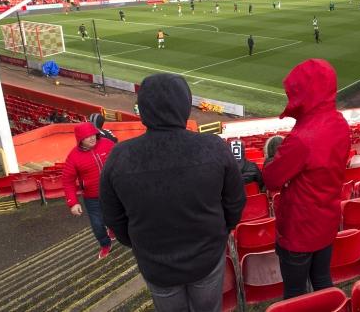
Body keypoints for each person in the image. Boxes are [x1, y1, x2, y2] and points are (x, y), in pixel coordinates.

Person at [100, 74, 246, 312]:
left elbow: (113, 217)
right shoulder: (213, 147)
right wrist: (219, 232)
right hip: (205, 256)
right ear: (185, 105)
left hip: (158, 262)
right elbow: (236, 204)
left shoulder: (120, 157)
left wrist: (140, 244)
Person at [262, 59, 351, 300]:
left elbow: (272, 179)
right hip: (327, 220)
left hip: (300, 229)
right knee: (322, 280)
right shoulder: (340, 124)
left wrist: (270, 158)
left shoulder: (302, 138)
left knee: (295, 293)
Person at [62, 122, 115, 259]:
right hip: (92, 197)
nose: (92, 138)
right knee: (97, 224)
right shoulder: (73, 157)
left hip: (114, 192)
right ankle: (105, 244)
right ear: (80, 139)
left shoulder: (107, 144)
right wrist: (73, 202)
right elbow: (67, 181)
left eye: (93, 134)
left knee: (118, 215)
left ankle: (114, 229)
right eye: (87, 136)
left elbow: (121, 161)